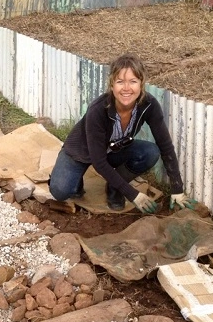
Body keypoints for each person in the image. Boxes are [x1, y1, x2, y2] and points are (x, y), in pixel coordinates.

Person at [48, 53, 194, 213]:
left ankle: (114, 187)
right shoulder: (98, 110)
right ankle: (75, 181)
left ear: (141, 84)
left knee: (150, 152)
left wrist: (177, 188)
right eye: (120, 82)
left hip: (113, 149)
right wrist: (134, 195)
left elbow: (165, 146)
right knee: (61, 191)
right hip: (81, 152)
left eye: (133, 81)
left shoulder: (149, 105)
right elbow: (99, 162)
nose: (126, 88)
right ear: (112, 85)